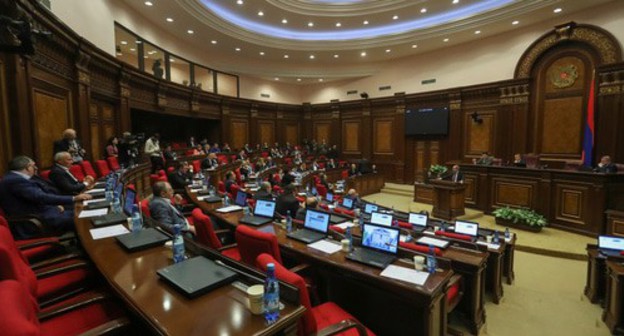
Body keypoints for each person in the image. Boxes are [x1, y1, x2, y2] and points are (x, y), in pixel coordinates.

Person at [0, 156, 92, 238]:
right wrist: (73, 198)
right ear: (28, 167)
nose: (35, 168)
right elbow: (40, 197)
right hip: (34, 222)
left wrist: (55, 207)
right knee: (83, 218)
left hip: (41, 214)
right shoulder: (15, 180)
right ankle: (91, 251)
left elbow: (34, 199)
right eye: (33, 165)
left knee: (83, 212)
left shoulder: (12, 178)